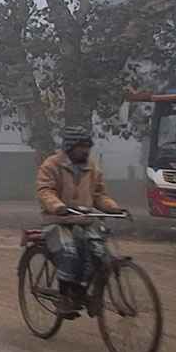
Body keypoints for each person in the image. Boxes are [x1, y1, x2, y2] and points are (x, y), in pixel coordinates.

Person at [36, 126, 126, 318]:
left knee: (99, 253)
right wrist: (57, 206)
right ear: (69, 147)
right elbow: (45, 190)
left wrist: (113, 207)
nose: (85, 151)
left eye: (87, 146)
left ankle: (85, 292)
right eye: (81, 147)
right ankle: (63, 298)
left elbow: (99, 195)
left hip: (85, 220)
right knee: (69, 252)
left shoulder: (92, 167)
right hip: (57, 219)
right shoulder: (51, 165)